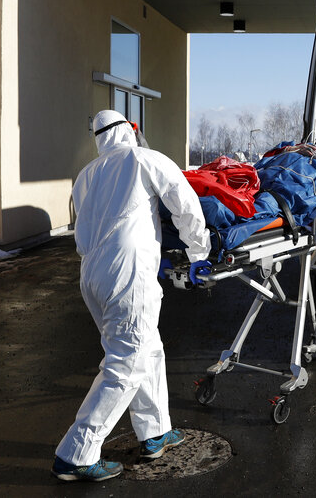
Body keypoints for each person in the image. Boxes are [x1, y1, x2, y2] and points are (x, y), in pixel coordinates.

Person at [52, 109, 212, 482]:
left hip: (92, 274)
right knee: (125, 364)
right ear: (130, 130)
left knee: (146, 350)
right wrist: (199, 253)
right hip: (128, 273)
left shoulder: (87, 175)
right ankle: (76, 453)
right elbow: (184, 204)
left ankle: (155, 431)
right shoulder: (144, 158)